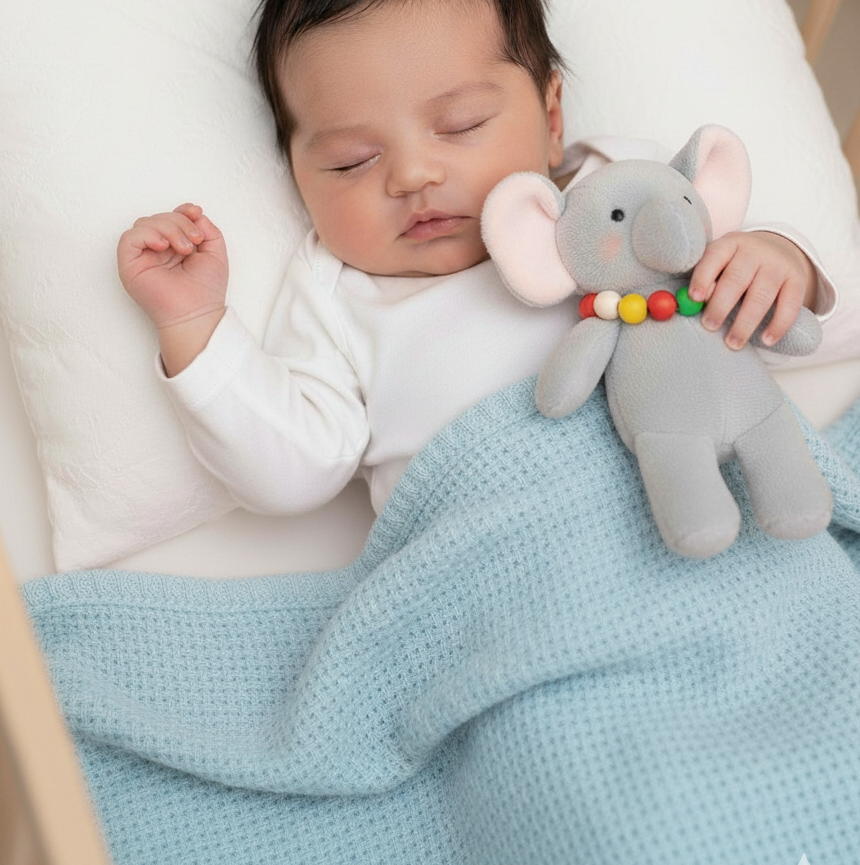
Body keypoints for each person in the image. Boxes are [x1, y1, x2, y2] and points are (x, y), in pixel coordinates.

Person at [117, 0, 839, 517]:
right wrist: (195, 325)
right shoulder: (338, 296)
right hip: (499, 564)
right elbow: (292, 474)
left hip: (708, 505)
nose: (412, 176)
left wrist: (778, 262)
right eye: (351, 161)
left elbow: (758, 310)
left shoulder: (616, 191)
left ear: (551, 119)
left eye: (460, 125)